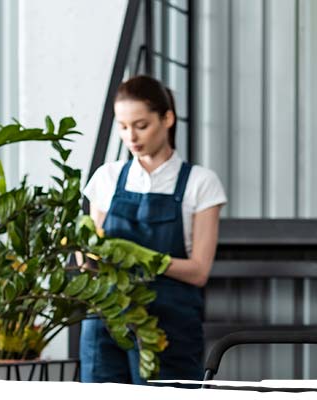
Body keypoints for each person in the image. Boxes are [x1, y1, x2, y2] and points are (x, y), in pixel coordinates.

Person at [79, 75, 226, 385]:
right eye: (123, 126)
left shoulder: (200, 183)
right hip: (106, 321)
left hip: (168, 327)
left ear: (168, 118)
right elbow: (91, 262)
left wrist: (140, 256)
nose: (131, 136)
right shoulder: (106, 178)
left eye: (141, 125)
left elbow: (199, 271)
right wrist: (83, 250)